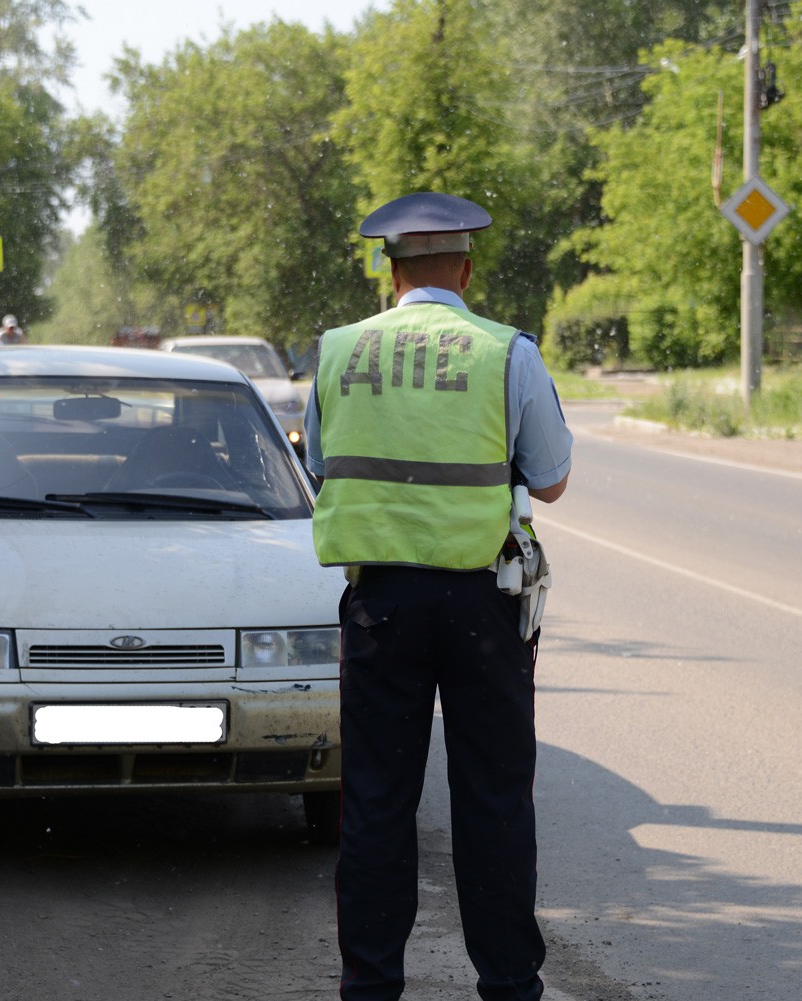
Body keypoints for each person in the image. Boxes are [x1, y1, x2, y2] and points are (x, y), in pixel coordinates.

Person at [305, 191, 573, 1001]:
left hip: (380, 605)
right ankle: (509, 984)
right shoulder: (506, 352)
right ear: (465, 270)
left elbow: (323, 465)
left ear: (390, 273)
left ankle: (370, 985)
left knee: (377, 803)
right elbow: (552, 479)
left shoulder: (337, 351)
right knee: (494, 800)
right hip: (481, 604)